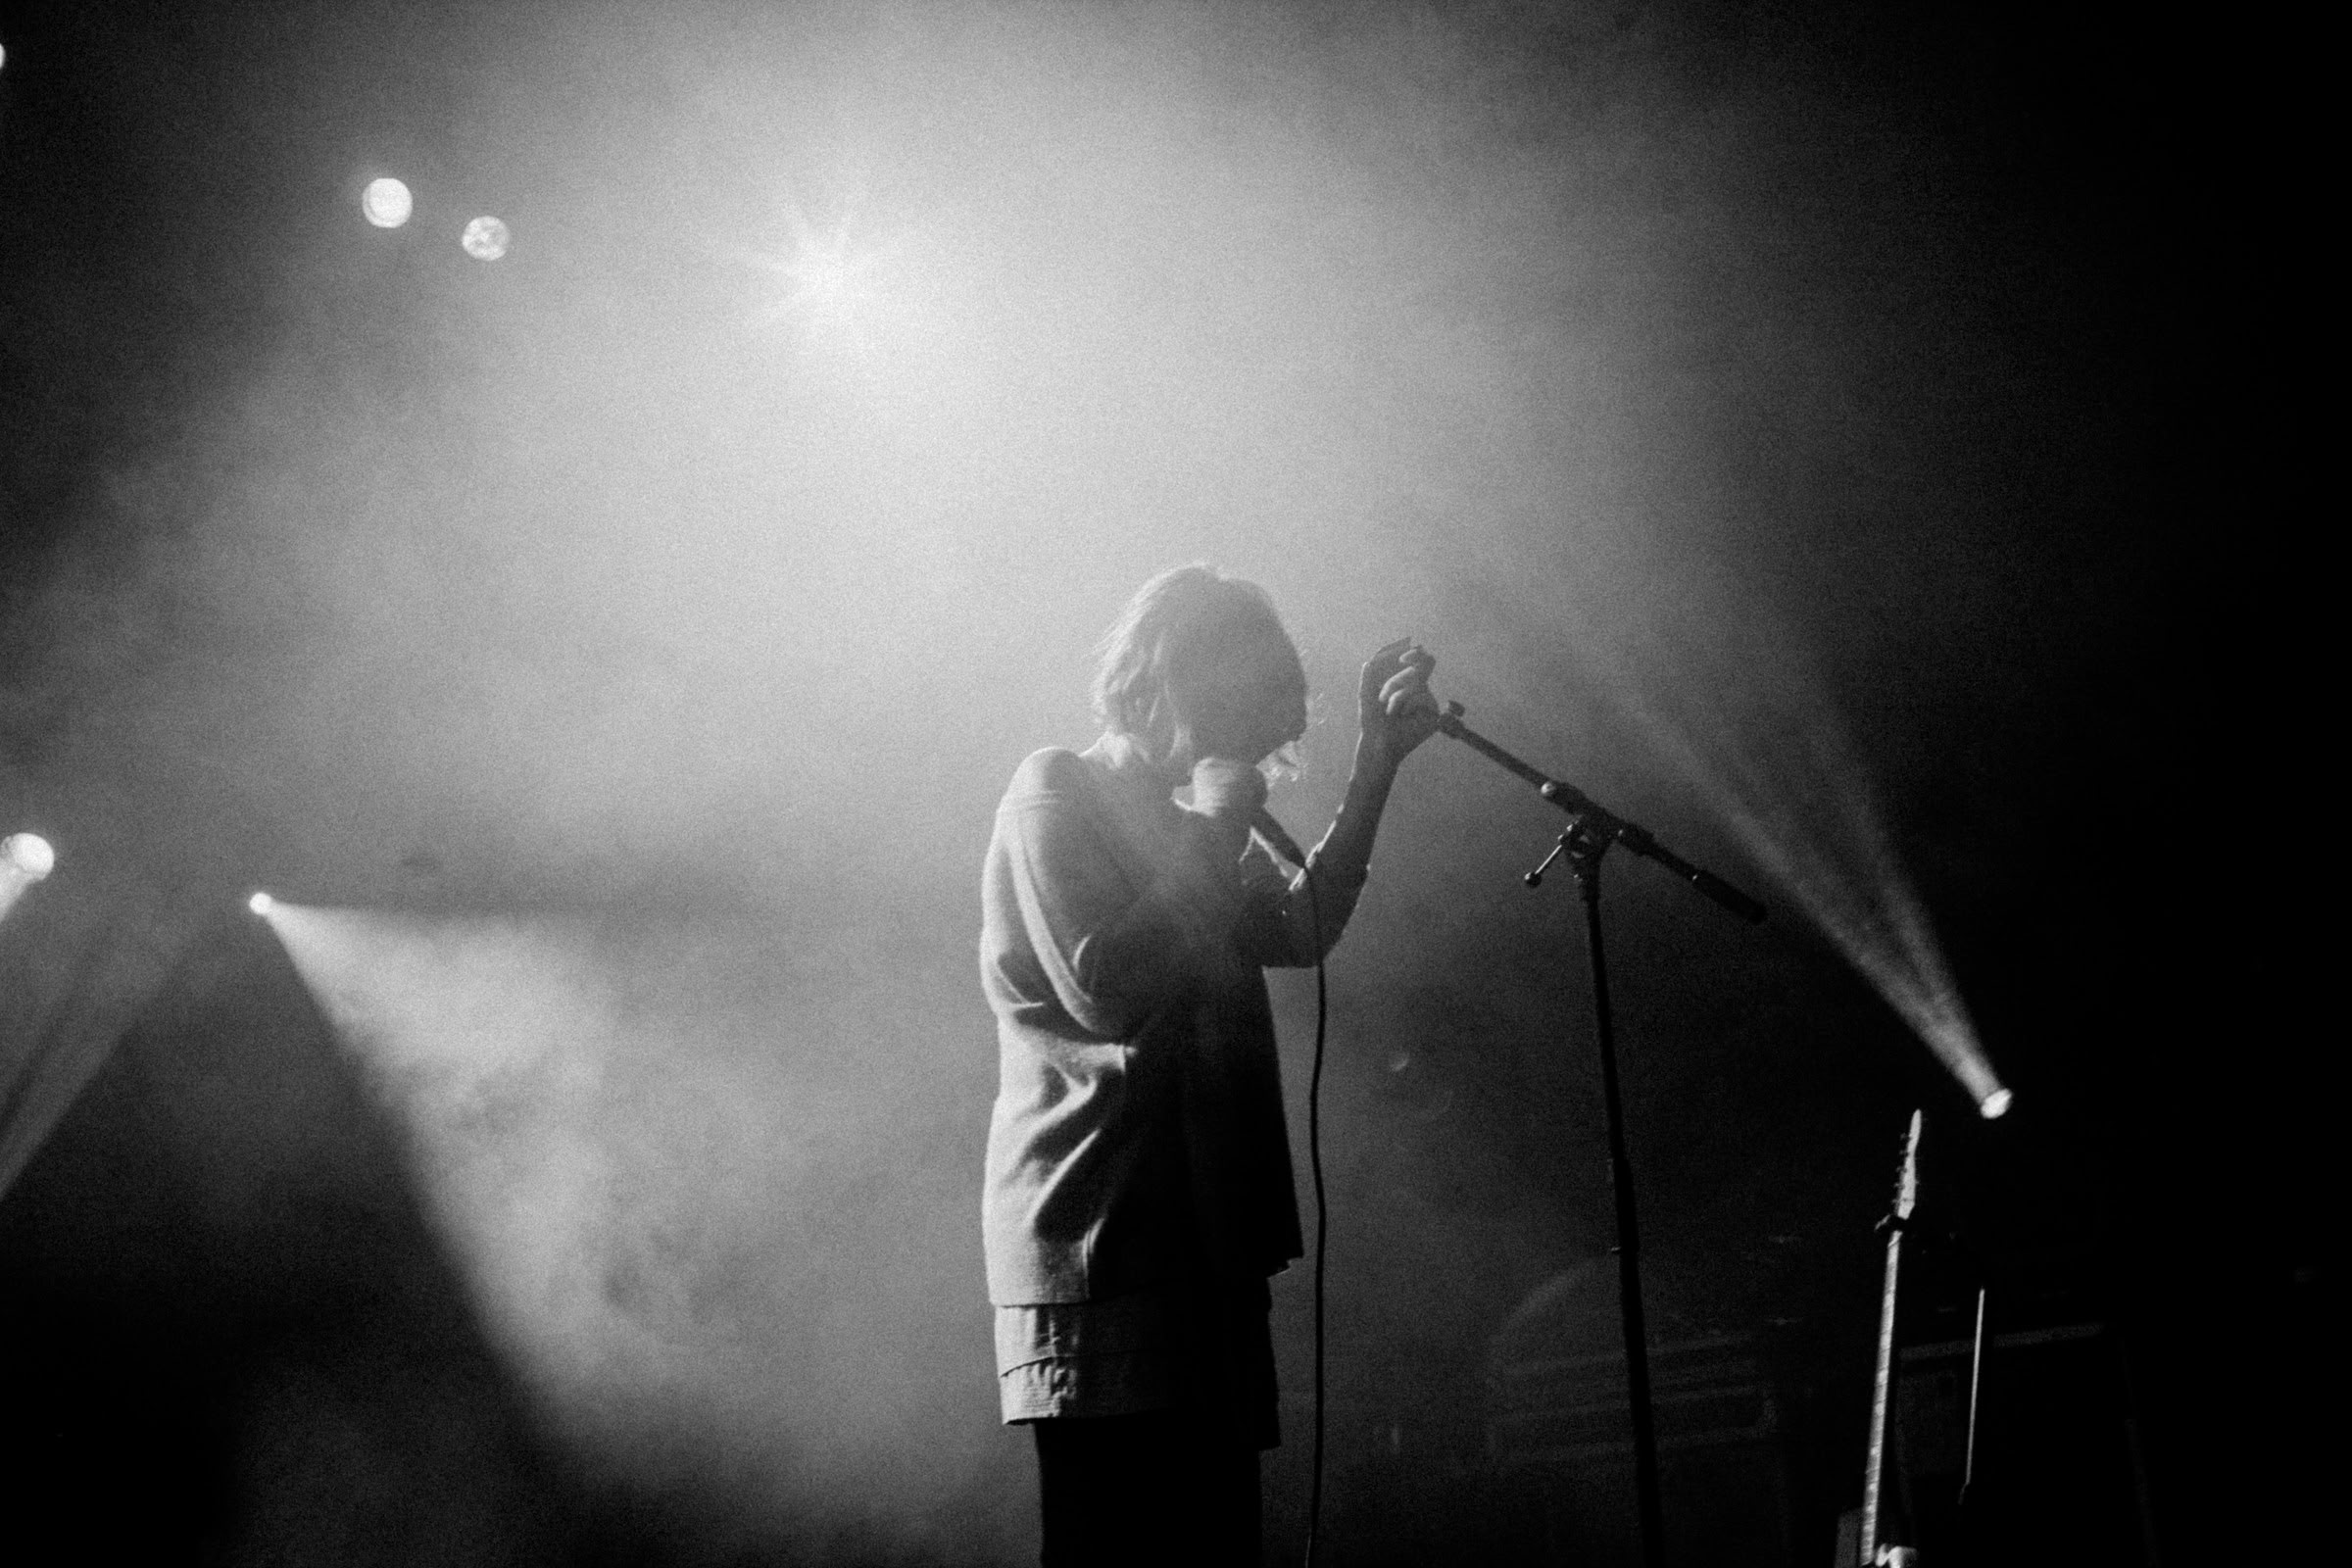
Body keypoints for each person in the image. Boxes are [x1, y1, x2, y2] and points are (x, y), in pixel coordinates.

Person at [979, 564, 1441, 1565]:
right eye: (1229, 700)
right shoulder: (1057, 787)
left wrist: (1374, 770)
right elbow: (1106, 983)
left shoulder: (1191, 822)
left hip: (1205, 1240)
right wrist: (1219, 825)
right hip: (1105, 1245)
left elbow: (1300, 925)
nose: (1244, 733)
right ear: (1162, 678)